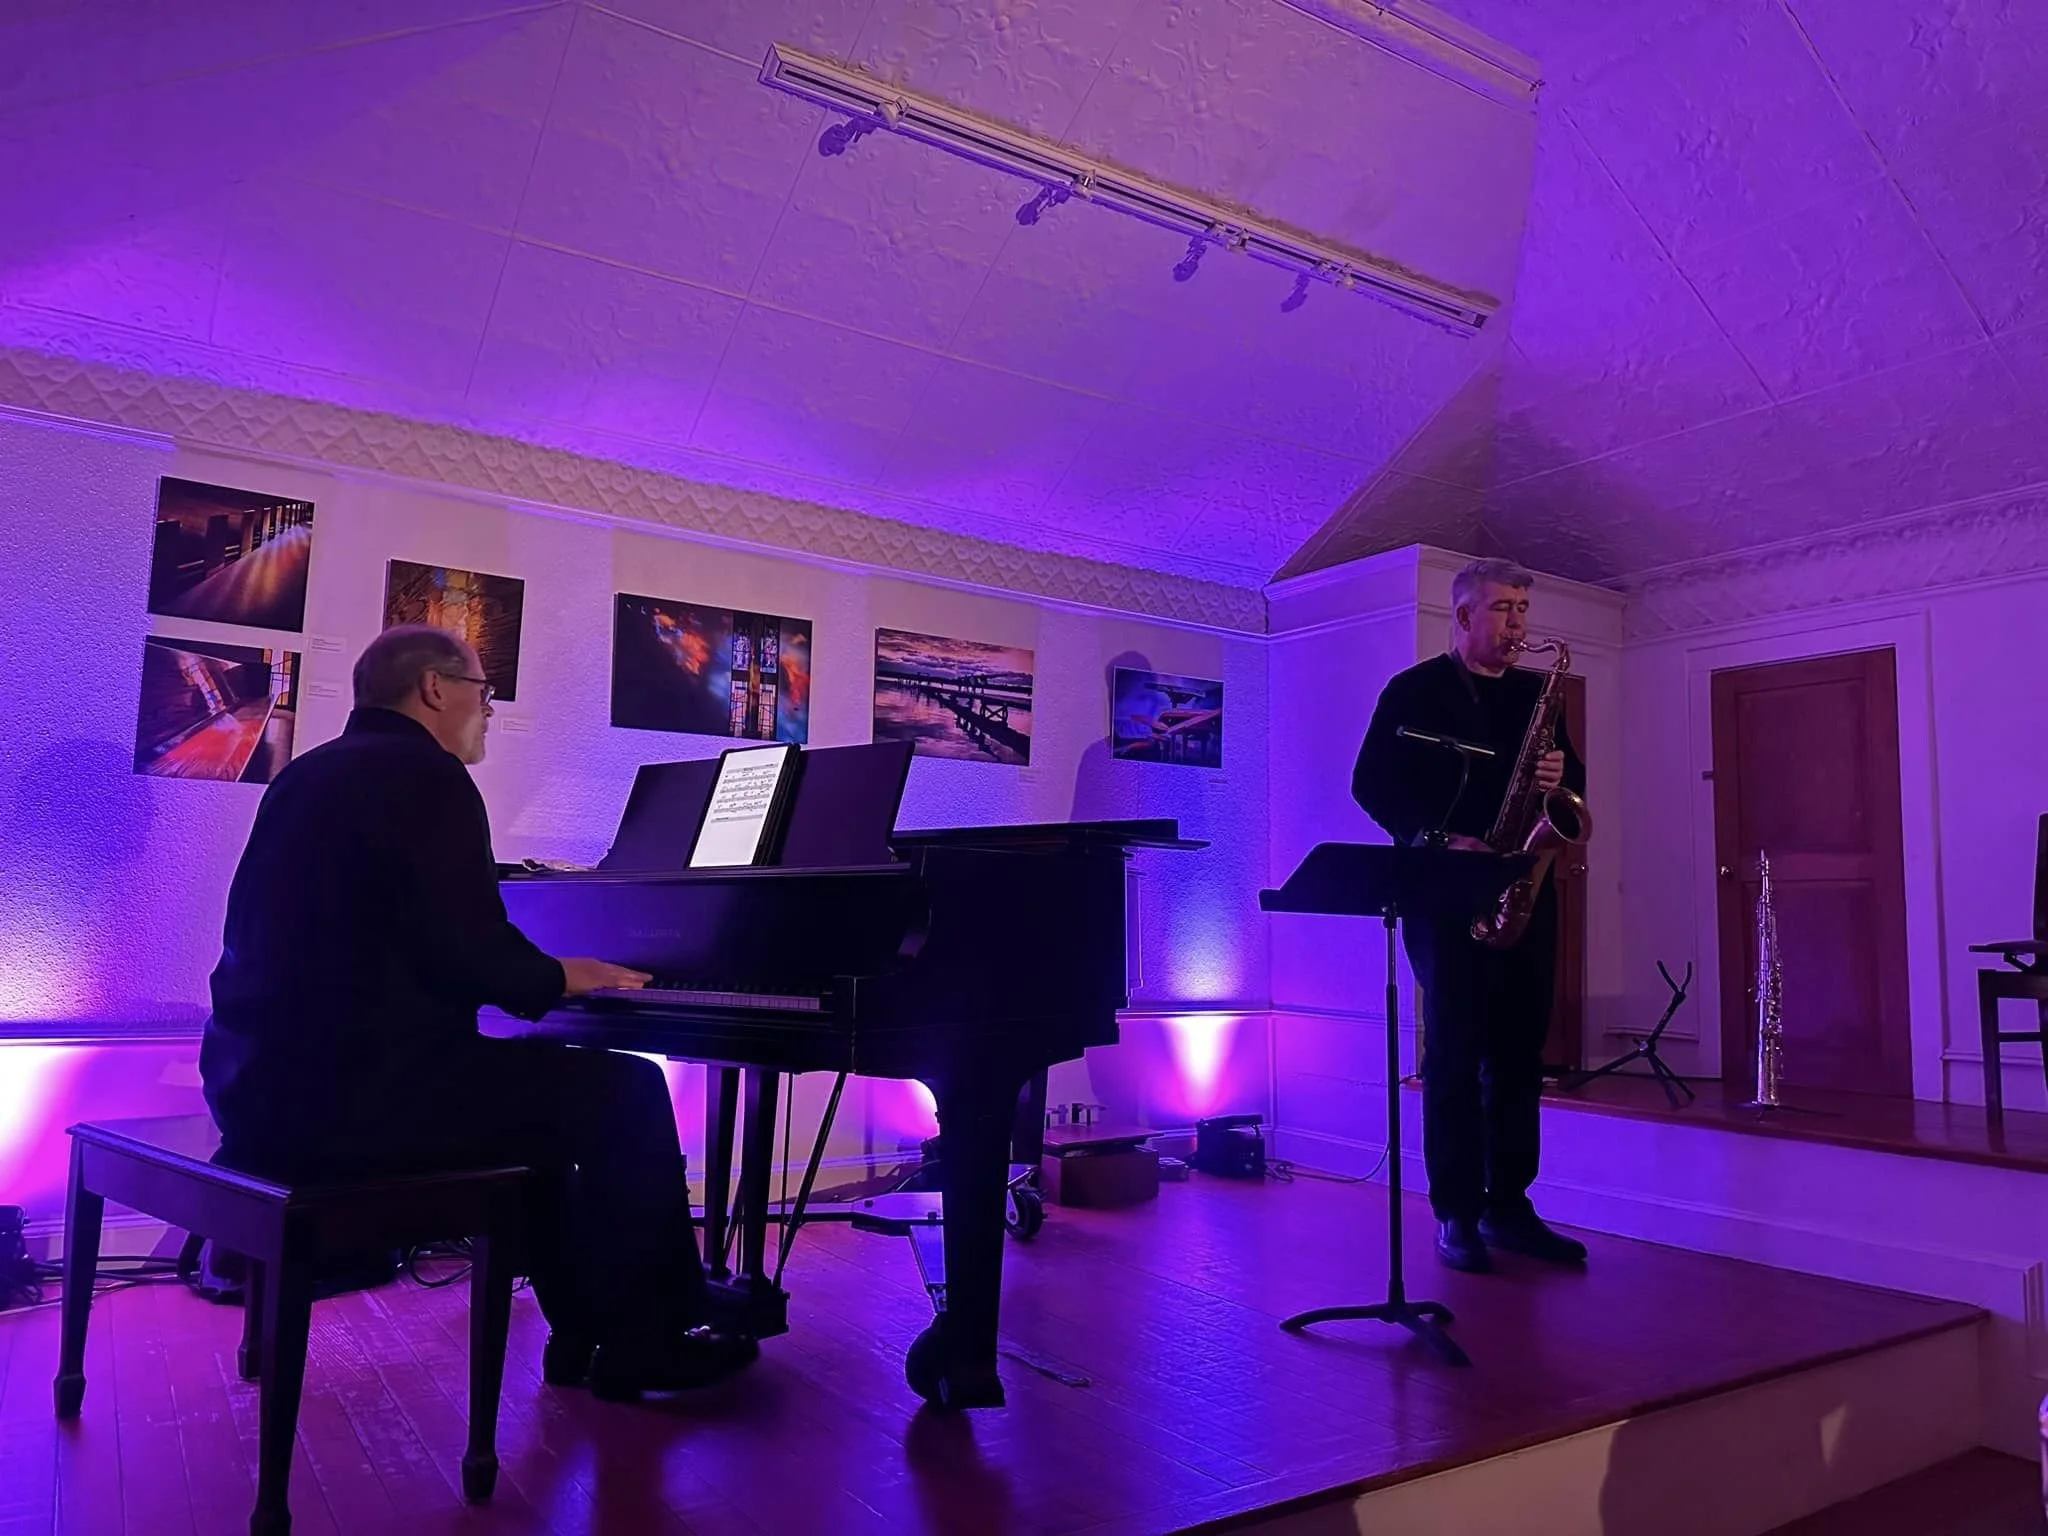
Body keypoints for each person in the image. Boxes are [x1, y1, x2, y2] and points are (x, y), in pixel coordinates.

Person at [200, 624, 754, 1400]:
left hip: (261, 1085)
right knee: (624, 1090)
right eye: (482, 691)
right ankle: (653, 1340)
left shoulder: (308, 774)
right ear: (434, 688)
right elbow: (467, 949)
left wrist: (534, 977)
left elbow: (413, 939)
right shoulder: (425, 776)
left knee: (542, 1111)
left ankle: (585, 1329)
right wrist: (562, 975)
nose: (488, 709)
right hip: (359, 1100)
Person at [1350, 558, 1590, 1274]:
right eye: (1503, 610)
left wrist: (1561, 775)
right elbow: (1369, 784)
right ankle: (1456, 1211)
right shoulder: (1414, 691)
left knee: (1520, 1054)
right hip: (1445, 888)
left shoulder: (1537, 693)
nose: (1518, 625)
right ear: (1463, 616)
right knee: (1454, 1053)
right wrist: (1436, 836)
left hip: (1523, 882)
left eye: (1522, 609)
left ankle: (1509, 1205)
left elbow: (1571, 789)